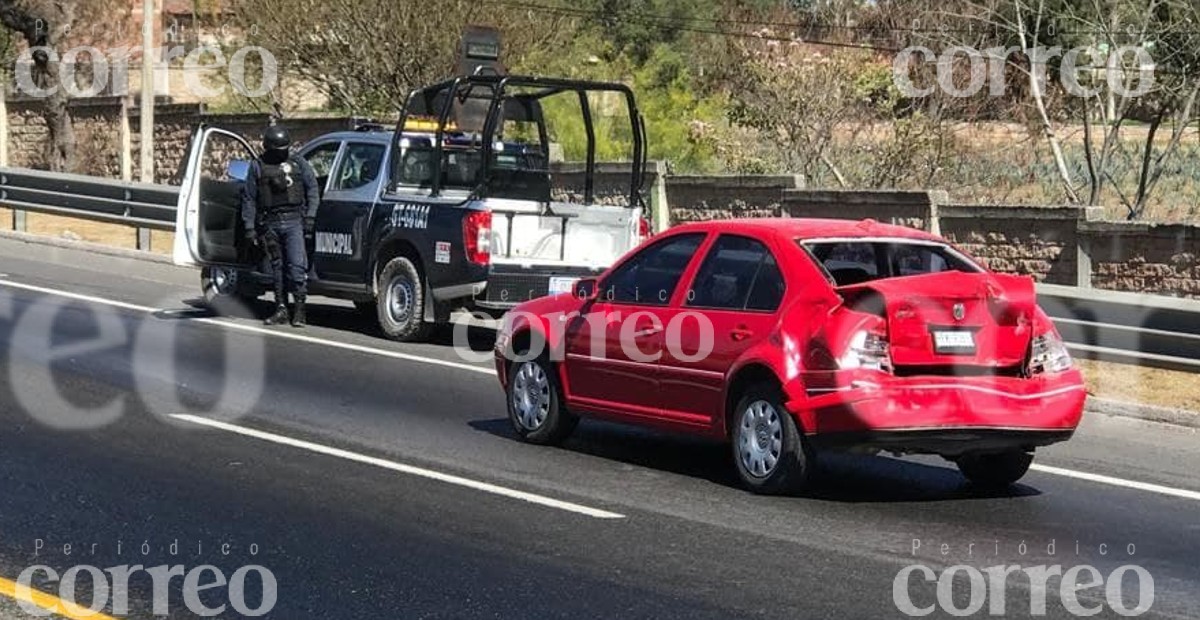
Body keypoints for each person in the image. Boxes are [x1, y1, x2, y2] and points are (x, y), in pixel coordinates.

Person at [241, 125, 320, 327]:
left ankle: (300, 310)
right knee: (277, 269)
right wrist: (249, 227)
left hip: (294, 221)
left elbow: (312, 190)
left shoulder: (298, 163)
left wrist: (310, 218)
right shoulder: (257, 166)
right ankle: (281, 308)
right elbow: (249, 198)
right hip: (270, 223)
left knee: (295, 267)